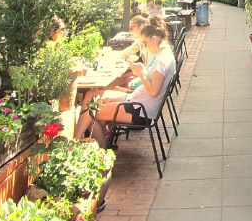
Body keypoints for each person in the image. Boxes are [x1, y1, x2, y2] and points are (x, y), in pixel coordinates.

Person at [74, 16, 176, 147]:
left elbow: (153, 92)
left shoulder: (161, 61)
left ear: (154, 39)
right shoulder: (165, 53)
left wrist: (141, 73)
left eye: (144, 42)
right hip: (139, 102)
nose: (143, 46)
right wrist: (142, 72)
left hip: (141, 110)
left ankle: (84, 144)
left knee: (89, 109)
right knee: (91, 96)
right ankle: (101, 144)